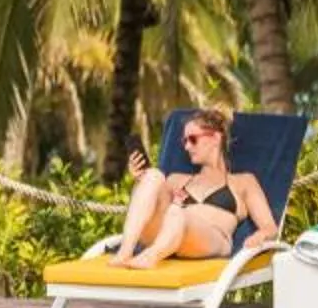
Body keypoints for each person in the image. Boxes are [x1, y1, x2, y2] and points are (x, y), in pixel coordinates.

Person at [108, 106, 278, 270]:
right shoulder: (176, 179)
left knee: (178, 212)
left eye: (193, 139)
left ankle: (150, 256)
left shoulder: (243, 182)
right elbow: (147, 206)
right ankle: (125, 252)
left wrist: (260, 236)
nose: (187, 146)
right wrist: (140, 179)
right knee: (153, 175)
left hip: (213, 240)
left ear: (215, 138)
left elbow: (270, 227)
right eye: (184, 141)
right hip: (168, 236)